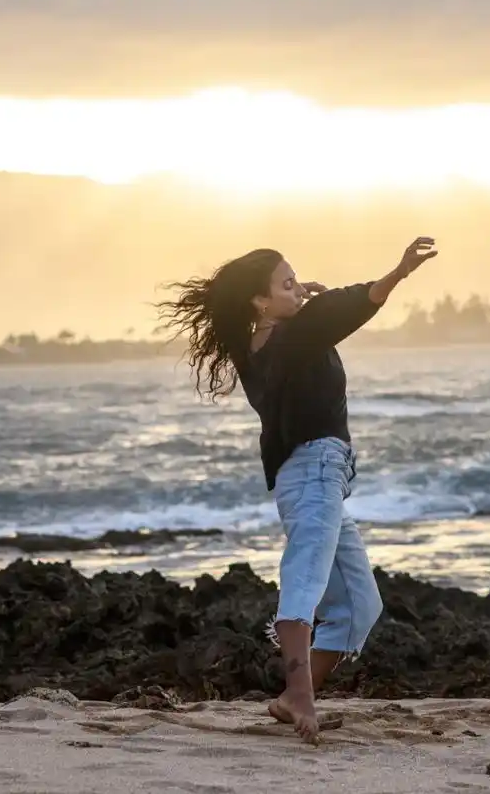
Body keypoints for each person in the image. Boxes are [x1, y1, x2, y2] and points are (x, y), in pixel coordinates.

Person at [157, 237, 438, 743]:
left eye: (296, 281)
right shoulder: (297, 335)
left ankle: (292, 699)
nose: (299, 290)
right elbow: (348, 306)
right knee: (304, 580)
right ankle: (302, 694)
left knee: (358, 606)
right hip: (316, 470)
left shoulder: (253, 348)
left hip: (306, 475)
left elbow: (307, 314)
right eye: (286, 285)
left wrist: (291, 294)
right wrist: (398, 272)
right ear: (260, 301)